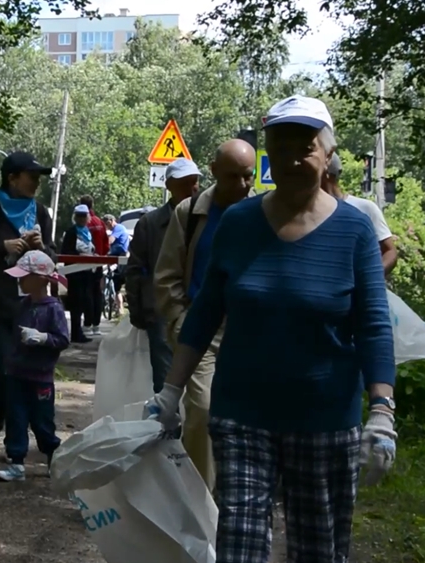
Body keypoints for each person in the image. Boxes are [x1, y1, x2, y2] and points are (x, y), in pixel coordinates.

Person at [146, 95, 397, 563]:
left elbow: (374, 325)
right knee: (240, 546)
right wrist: (170, 392)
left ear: (327, 155)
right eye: (280, 147)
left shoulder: (355, 231)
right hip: (243, 415)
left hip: (324, 421)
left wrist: (382, 410)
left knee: (318, 549)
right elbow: (205, 312)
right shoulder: (239, 223)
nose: (293, 158)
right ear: (267, 157)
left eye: (305, 146)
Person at [153, 138, 256, 489]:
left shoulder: (262, 211)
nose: (243, 185)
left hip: (251, 330)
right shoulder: (191, 211)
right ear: (213, 172)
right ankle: (203, 499)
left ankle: (243, 486)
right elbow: (166, 275)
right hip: (201, 332)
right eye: (233, 177)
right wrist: (181, 321)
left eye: (249, 176)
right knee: (204, 409)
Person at [0, 151, 57, 458]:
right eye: (32, 177)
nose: (36, 183)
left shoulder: (40, 212)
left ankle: (32, 439)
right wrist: (1, 246)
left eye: (39, 178)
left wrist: (43, 248)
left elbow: (54, 259)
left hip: (33, 309)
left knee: (34, 373)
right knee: (6, 370)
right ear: (12, 178)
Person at [0, 250, 69, 481]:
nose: (20, 280)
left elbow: (63, 339)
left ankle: (53, 458)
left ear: (40, 279)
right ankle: (16, 463)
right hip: (17, 373)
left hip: (41, 378)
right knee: (15, 418)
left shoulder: (53, 308)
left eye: (24, 276)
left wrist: (44, 338)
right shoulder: (23, 305)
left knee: (42, 421)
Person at [126, 158, 200, 393]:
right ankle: (166, 427)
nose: (193, 188)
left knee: (200, 382)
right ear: (169, 185)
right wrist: (138, 311)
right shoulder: (150, 223)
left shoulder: (207, 219)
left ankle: (193, 428)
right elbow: (135, 269)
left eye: (195, 182)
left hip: (199, 308)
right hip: (161, 311)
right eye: (185, 182)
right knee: (166, 382)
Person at [323, 153, 399, 276]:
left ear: (326, 175)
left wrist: (370, 279)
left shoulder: (365, 208)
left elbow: (389, 252)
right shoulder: (306, 213)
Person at [60, 204, 98, 343]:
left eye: (84, 216)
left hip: (87, 273)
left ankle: (79, 331)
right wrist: (80, 255)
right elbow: (66, 252)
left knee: (84, 302)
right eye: (79, 216)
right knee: (76, 303)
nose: (82, 219)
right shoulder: (71, 232)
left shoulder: (88, 232)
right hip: (75, 273)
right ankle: (76, 332)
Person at [78, 195, 109, 336]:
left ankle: (87, 324)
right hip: (99, 262)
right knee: (98, 293)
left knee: (87, 293)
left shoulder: (83, 224)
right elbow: (106, 243)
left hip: (84, 263)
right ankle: (97, 325)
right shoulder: (100, 222)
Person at [101, 214, 130, 314]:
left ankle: (120, 308)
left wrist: (102, 246)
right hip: (114, 256)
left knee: (118, 281)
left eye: (107, 223)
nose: (106, 225)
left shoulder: (119, 228)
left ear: (112, 220)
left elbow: (110, 240)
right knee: (105, 275)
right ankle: (110, 301)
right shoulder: (113, 230)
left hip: (120, 256)